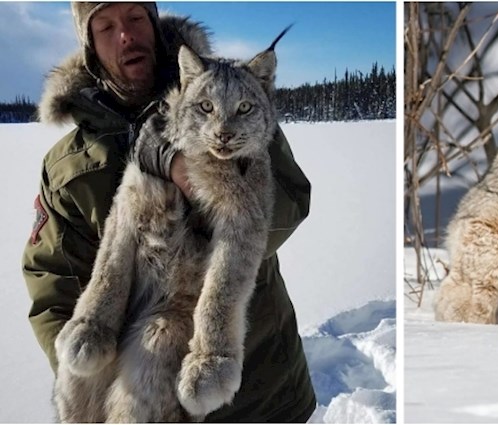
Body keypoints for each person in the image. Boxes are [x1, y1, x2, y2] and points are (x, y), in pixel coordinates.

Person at [22, 2, 316, 421]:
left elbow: (290, 203)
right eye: (105, 26)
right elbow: (52, 278)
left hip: (258, 394)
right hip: (131, 391)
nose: (125, 35)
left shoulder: (235, 93)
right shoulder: (66, 164)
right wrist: (82, 376)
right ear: (89, 46)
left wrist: (198, 179)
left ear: (154, 23)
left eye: (135, 17)